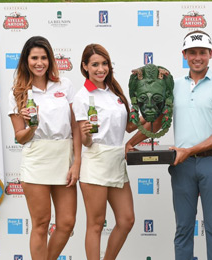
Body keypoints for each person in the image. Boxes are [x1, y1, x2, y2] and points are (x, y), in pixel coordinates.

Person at [127, 30, 212, 260]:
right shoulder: (172, 86)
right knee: (183, 229)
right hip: (181, 165)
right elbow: (157, 121)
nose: (198, 57)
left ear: (210, 54)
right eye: (192, 52)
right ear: (184, 54)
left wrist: (190, 151)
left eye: (202, 52)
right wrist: (132, 142)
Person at [8, 36, 81, 260]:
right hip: (37, 159)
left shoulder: (64, 84)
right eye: (34, 58)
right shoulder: (18, 92)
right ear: (25, 61)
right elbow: (20, 137)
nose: (39, 63)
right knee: (40, 223)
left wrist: (77, 161)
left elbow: (75, 125)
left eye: (43, 57)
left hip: (64, 157)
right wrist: (32, 126)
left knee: (67, 223)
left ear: (49, 59)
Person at [72, 44, 138, 260]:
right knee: (96, 224)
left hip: (117, 160)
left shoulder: (115, 91)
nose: (101, 69)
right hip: (96, 162)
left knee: (127, 219)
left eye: (104, 63)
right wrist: (86, 133)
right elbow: (86, 141)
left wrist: (148, 114)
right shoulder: (82, 97)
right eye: (95, 64)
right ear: (85, 67)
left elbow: (128, 127)